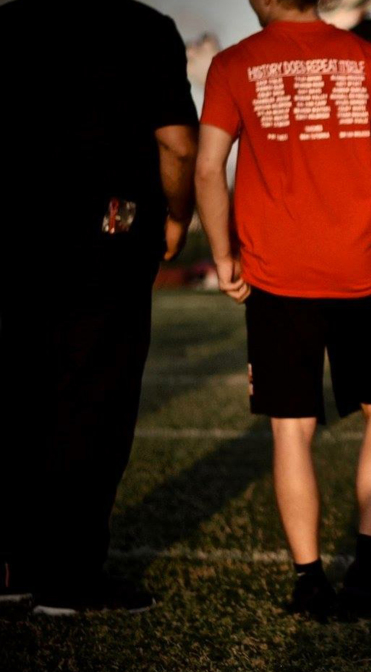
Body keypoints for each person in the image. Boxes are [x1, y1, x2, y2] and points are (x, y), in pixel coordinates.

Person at [195, 0, 371, 620]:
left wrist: (222, 254)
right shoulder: (368, 56)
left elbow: (209, 165)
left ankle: (308, 579)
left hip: (276, 272)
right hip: (362, 265)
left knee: (290, 428)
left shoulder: (234, 63)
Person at [0, 0, 198, 612]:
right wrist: (177, 215)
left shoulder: (10, 22)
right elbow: (177, 145)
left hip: (16, 234)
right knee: (95, 399)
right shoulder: (143, 27)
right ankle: (68, 574)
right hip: (106, 232)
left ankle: (11, 568)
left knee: (17, 389)